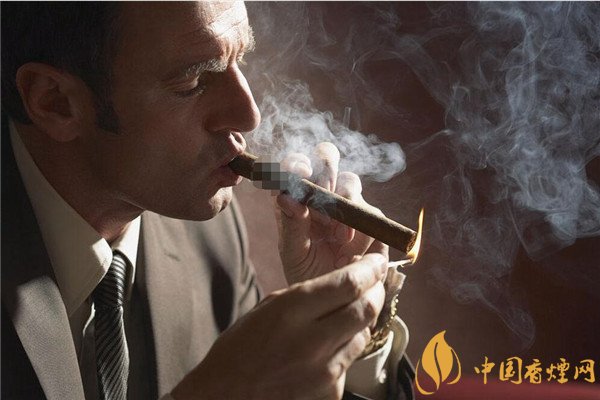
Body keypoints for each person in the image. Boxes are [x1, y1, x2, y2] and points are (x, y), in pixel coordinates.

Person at [1, 2, 414, 400]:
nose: (248, 114)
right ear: (55, 102)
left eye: (240, 60)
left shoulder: (211, 239)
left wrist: (345, 325)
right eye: (193, 81)